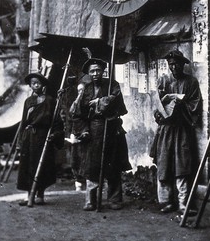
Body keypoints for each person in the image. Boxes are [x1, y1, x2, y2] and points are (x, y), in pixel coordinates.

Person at [71, 58, 131, 211]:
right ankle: (90, 200)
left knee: (113, 163)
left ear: (103, 71)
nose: (95, 73)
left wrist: (100, 101)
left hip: (111, 128)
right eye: (92, 71)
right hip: (94, 129)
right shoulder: (86, 89)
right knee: (92, 165)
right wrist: (84, 130)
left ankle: (115, 198)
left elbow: (116, 101)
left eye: (98, 70)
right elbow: (78, 113)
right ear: (89, 74)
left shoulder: (112, 85)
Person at [150, 49, 202, 214]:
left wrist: (182, 104)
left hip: (182, 129)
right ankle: (165, 201)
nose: (174, 67)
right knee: (164, 165)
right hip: (166, 130)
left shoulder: (191, 82)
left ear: (183, 65)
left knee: (182, 166)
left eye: (177, 64)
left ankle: (183, 203)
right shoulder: (163, 81)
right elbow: (157, 107)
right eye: (171, 64)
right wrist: (164, 106)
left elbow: (195, 104)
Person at [16, 72, 63, 206]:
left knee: (42, 164)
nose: (35, 85)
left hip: (43, 136)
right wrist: (20, 140)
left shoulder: (50, 100)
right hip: (29, 136)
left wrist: (55, 134)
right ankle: (28, 194)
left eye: (38, 83)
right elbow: (24, 122)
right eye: (33, 83)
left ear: (42, 85)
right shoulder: (28, 101)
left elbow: (56, 120)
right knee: (27, 164)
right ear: (30, 86)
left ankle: (40, 195)